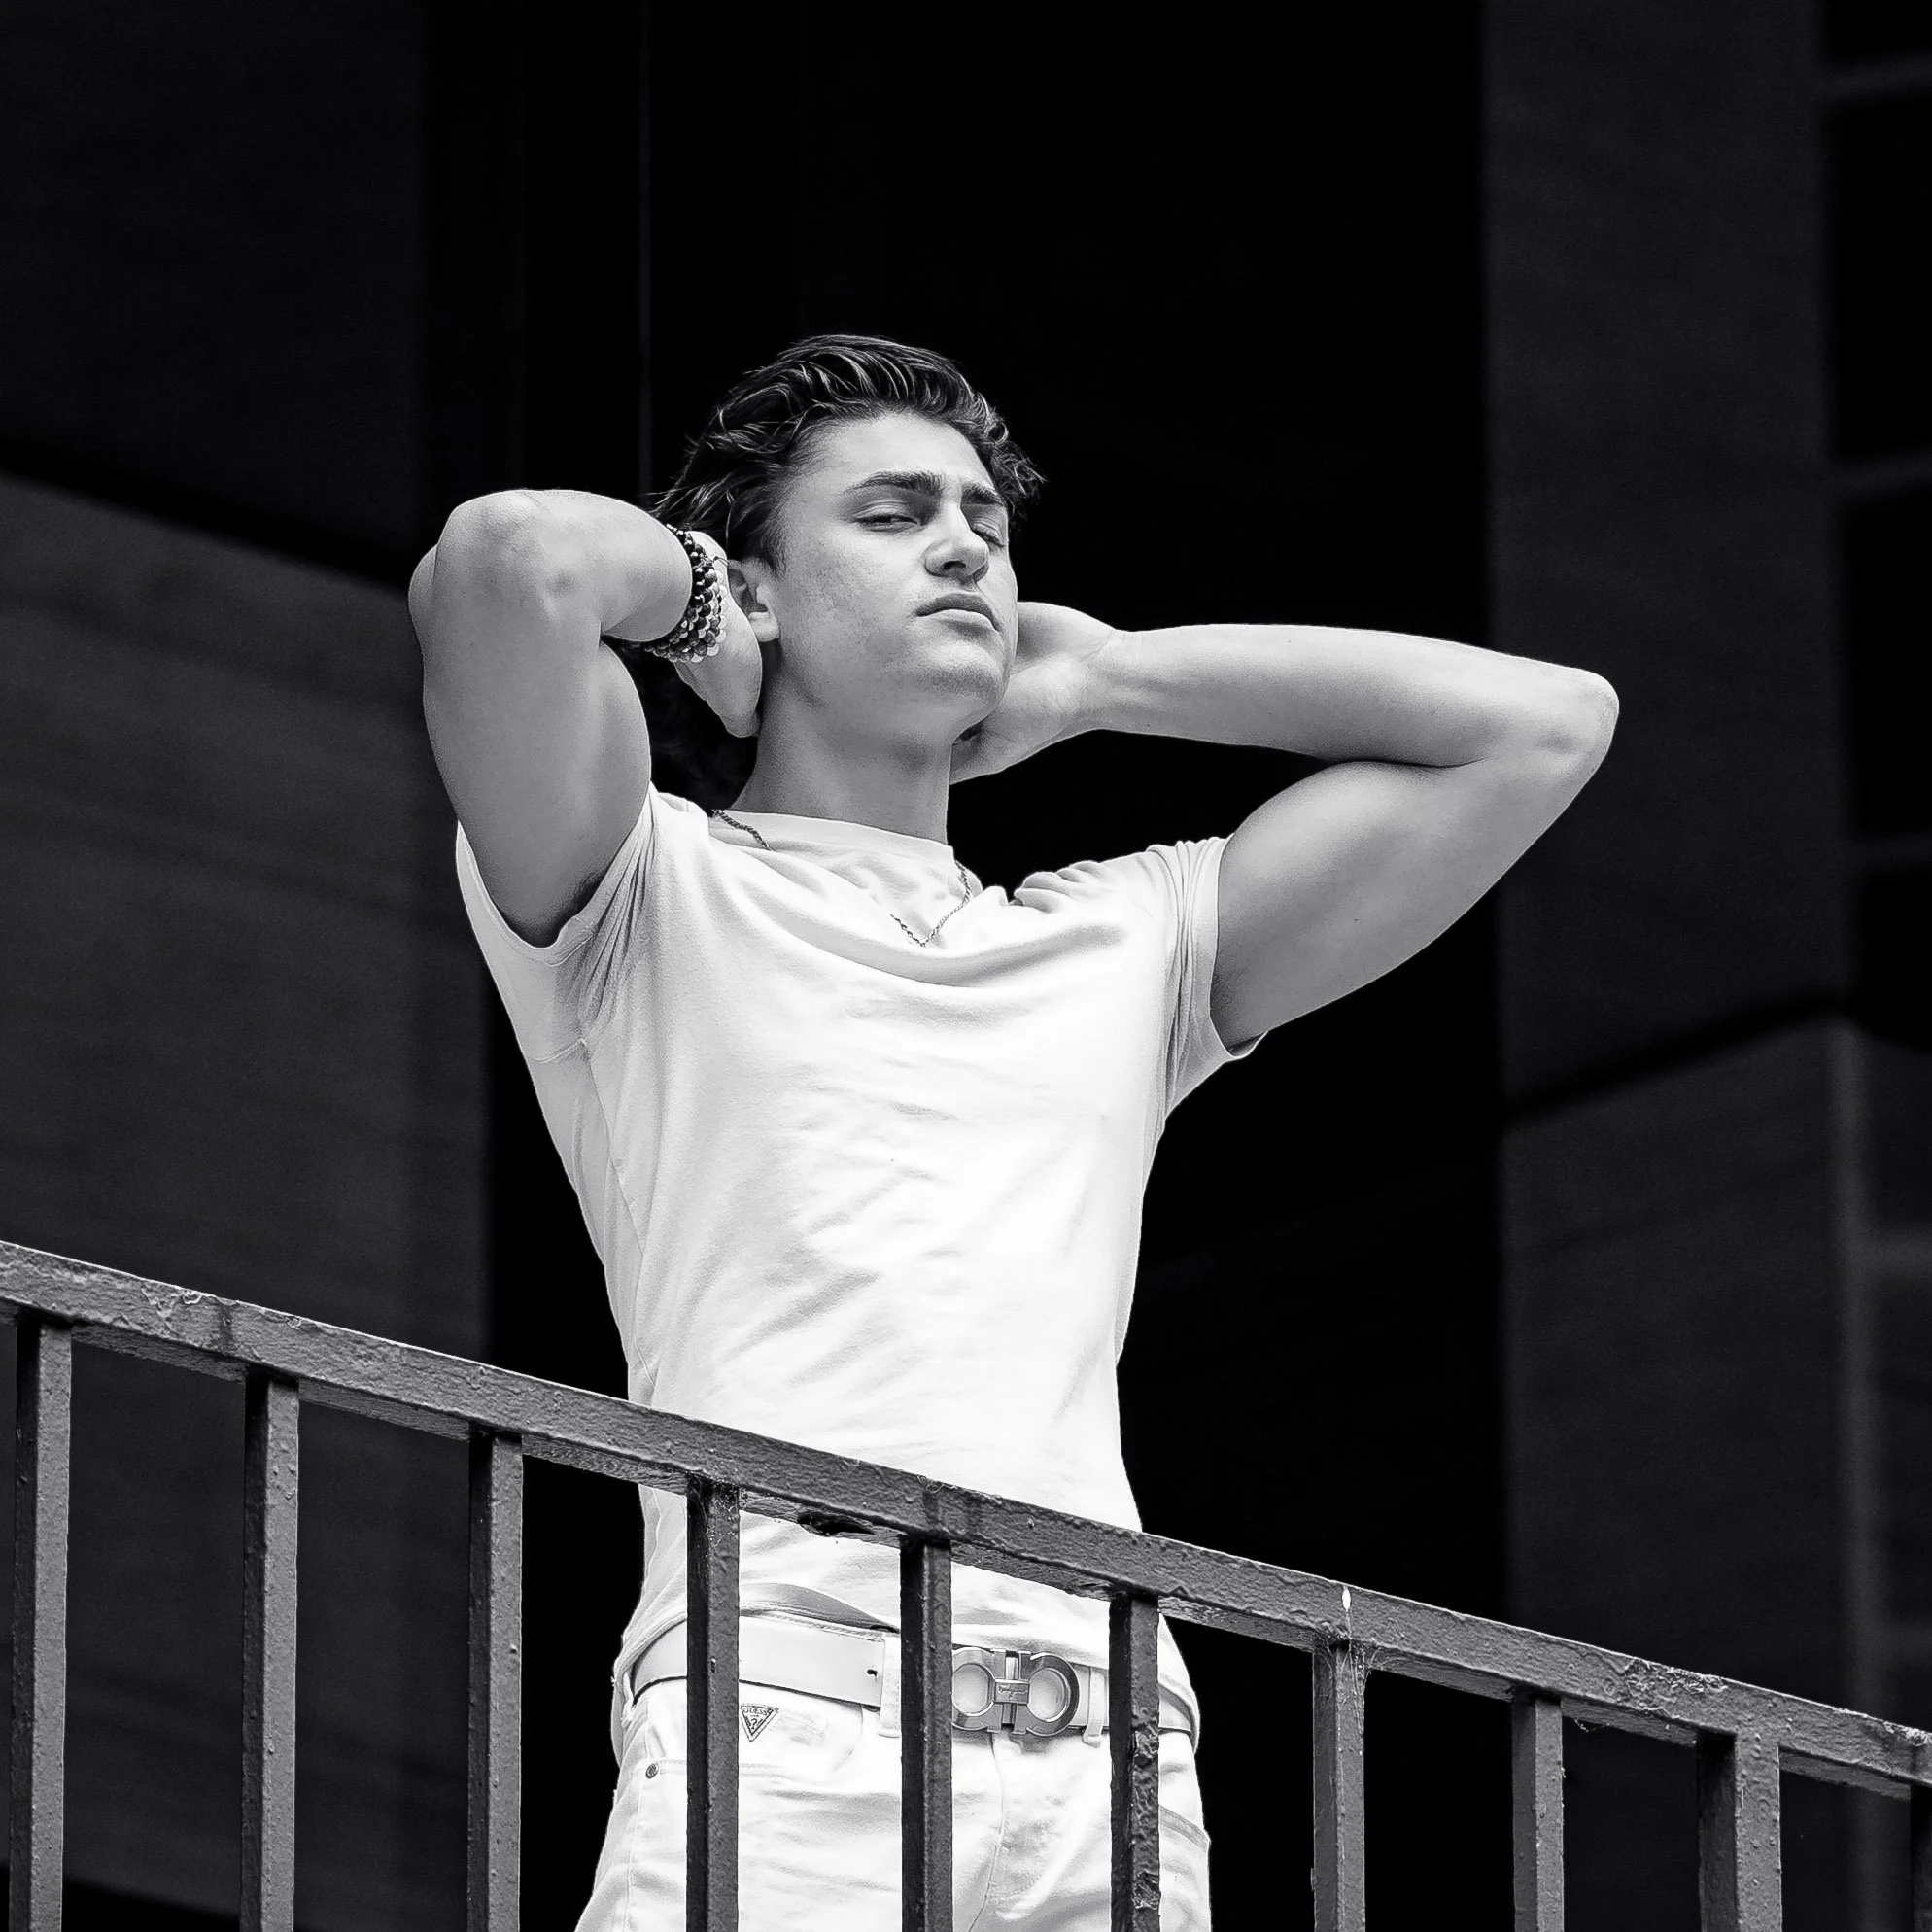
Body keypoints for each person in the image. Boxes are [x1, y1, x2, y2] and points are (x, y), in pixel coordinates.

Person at [409, 334, 1616, 1931]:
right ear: (756, 583)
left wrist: (1106, 677)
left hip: (1109, 1758)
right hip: (786, 1719)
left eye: (984, 519)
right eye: (892, 514)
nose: (964, 546)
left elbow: (1545, 726)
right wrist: (702, 606)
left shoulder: (1122, 940)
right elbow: (508, 559)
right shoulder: (647, 886)